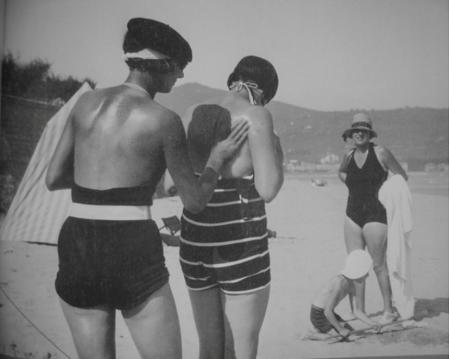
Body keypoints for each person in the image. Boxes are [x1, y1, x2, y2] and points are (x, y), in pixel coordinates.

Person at [45, 18, 248, 359]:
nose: (181, 76)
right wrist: (215, 161)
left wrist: (114, 187)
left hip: (77, 239)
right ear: (164, 64)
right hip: (130, 243)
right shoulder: (163, 119)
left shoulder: (84, 104)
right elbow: (196, 201)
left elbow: (54, 178)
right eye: (180, 68)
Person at [179, 56, 284, 359]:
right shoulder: (257, 115)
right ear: (262, 91)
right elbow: (268, 189)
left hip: (195, 240)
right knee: (241, 348)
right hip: (240, 243)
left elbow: (174, 185)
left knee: (209, 349)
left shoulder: (190, 112)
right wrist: (276, 148)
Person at [338, 113, 408, 324]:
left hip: (376, 214)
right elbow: (341, 173)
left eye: (364, 130)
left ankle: (388, 311)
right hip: (352, 214)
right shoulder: (349, 156)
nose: (359, 133)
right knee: (355, 265)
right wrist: (354, 185)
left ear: (369, 134)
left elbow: (401, 176)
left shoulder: (381, 153)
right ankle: (359, 310)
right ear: (352, 134)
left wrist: (386, 193)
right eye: (356, 130)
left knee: (378, 266)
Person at [308, 249, 379, 340]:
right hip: (318, 314)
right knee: (342, 337)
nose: (368, 275)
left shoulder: (352, 285)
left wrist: (372, 323)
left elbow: (357, 312)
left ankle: (320, 329)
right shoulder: (339, 283)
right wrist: (340, 329)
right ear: (358, 272)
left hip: (330, 314)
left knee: (353, 334)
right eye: (365, 272)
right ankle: (313, 334)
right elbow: (327, 311)